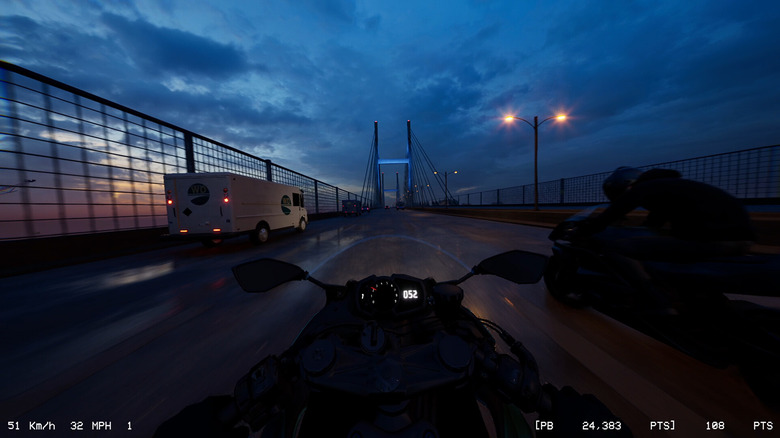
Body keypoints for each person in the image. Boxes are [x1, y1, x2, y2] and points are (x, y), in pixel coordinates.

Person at [567, 166, 756, 313]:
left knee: (615, 249)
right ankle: (691, 299)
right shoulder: (673, 187)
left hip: (710, 240)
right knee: (662, 253)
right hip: (741, 241)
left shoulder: (644, 188)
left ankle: (656, 300)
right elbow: (652, 225)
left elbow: (611, 214)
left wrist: (585, 230)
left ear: (624, 187)